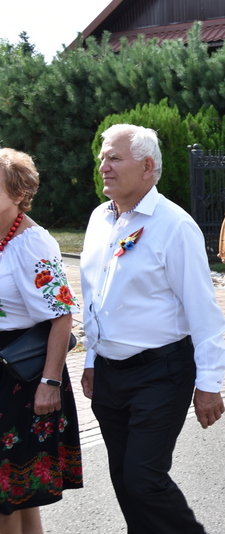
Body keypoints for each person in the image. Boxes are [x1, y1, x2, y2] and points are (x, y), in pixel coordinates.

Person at [80, 124, 225, 534]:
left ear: (147, 167)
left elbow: (203, 311)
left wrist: (210, 382)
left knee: (144, 480)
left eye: (114, 158)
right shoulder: (98, 219)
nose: (102, 165)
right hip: (110, 373)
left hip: (161, 373)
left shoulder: (174, 226)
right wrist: (92, 358)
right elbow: (95, 296)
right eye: (102, 157)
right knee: (124, 480)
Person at [0, 149, 82, 533]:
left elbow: (62, 315)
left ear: (18, 194)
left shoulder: (32, 243)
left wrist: (51, 382)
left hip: (22, 378)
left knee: (10, 495)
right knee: (14, 497)